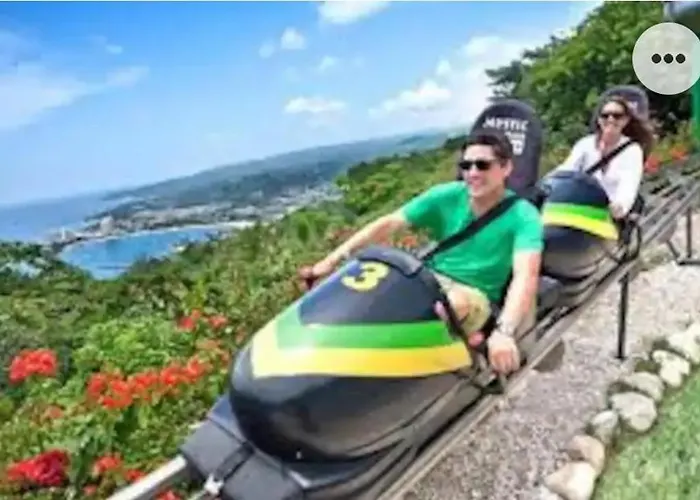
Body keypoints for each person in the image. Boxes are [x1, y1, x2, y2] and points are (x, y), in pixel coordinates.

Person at [299, 130, 544, 375]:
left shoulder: (523, 216)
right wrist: (329, 263)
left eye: (482, 165)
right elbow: (389, 223)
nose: (472, 173)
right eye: (466, 165)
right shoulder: (448, 195)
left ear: (505, 168)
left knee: (451, 305)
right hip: (429, 277)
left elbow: (526, 275)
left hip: (473, 293)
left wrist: (504, 331)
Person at [553, 95, 655, 221]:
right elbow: (567, 170)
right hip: (580, 208)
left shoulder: (632, 150)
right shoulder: (585, 144)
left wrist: (620, 206)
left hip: (609, 216)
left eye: (617, 116)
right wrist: (548, 186)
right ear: (599, 120)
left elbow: (629, 183)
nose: (610, 119)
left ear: (626, 120)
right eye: (605, 115)